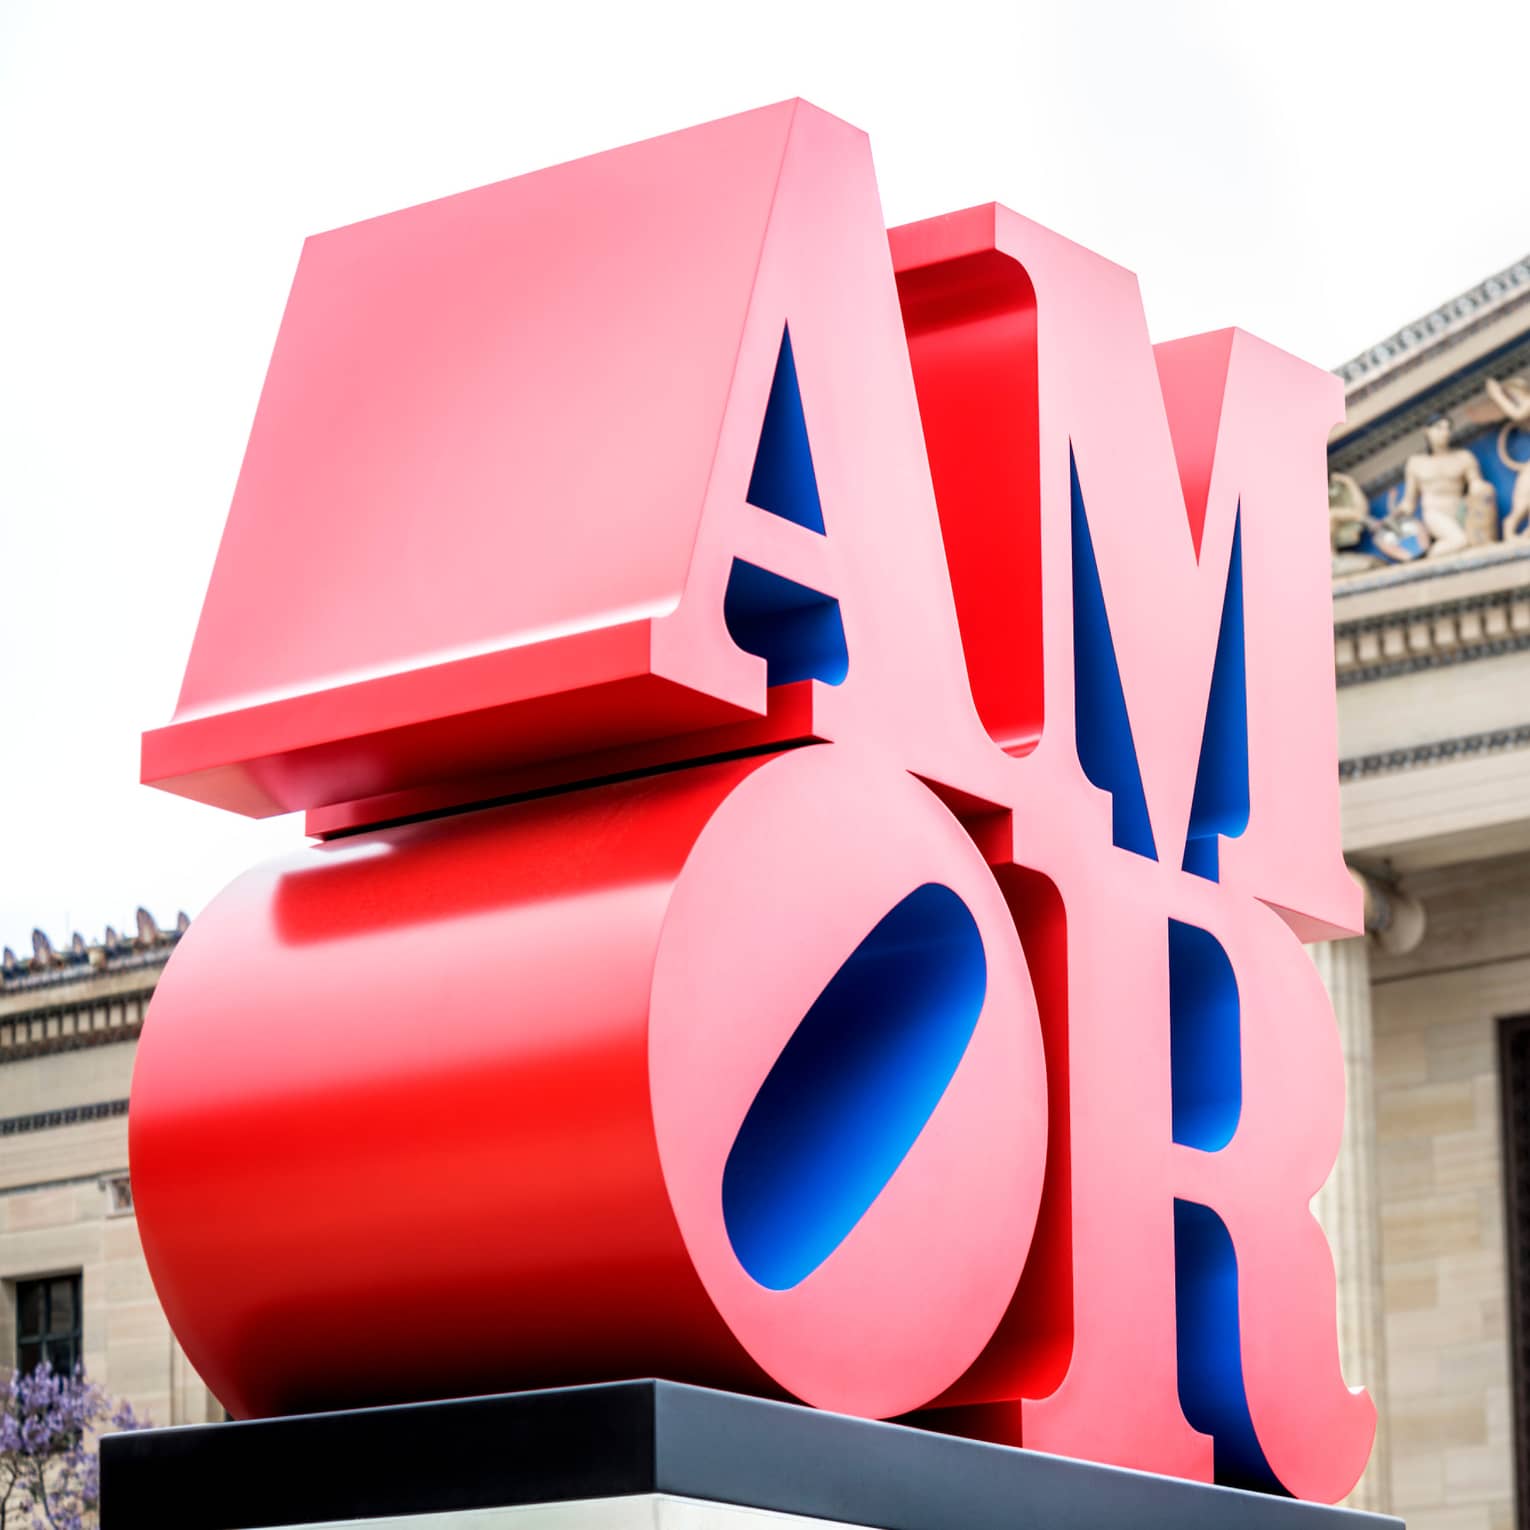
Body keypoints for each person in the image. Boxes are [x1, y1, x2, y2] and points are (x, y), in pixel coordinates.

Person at [1393, 415, 1490, 557]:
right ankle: (1428, 561)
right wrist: (1394, 517)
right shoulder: (1416, 463)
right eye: (1438, 428)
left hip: (1461, 511)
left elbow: (1476, 483)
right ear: (1427, 431)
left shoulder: (1463, 457)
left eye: (1448, 428)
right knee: (1460, 540)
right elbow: (1409, 503)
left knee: (1473, 544)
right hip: (1435, 514)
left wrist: (1481, 488)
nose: (1444, 432)